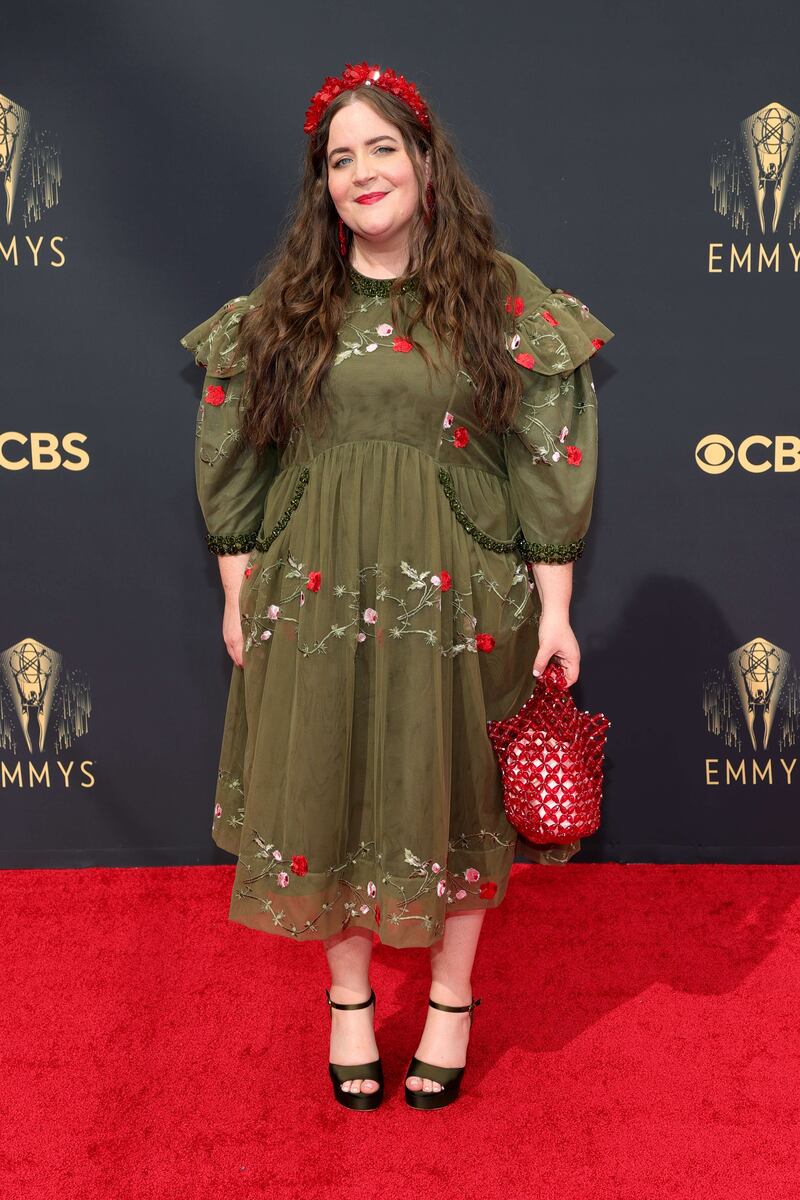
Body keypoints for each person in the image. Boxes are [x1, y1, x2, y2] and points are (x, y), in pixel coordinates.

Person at [179, 61, 615, 1112]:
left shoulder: (498, 296)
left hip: (461, 594)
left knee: (452, 791)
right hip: (315, 590)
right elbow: (233, 458)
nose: (361, 172)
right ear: (320, 185)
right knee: (328, 783)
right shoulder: (284, 307)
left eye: (381, 148)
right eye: (339, 159)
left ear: (424, 162)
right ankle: (347, 1002)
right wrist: (237, 593)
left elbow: (543, 459)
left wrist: (554, 612)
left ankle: (452, 1001)